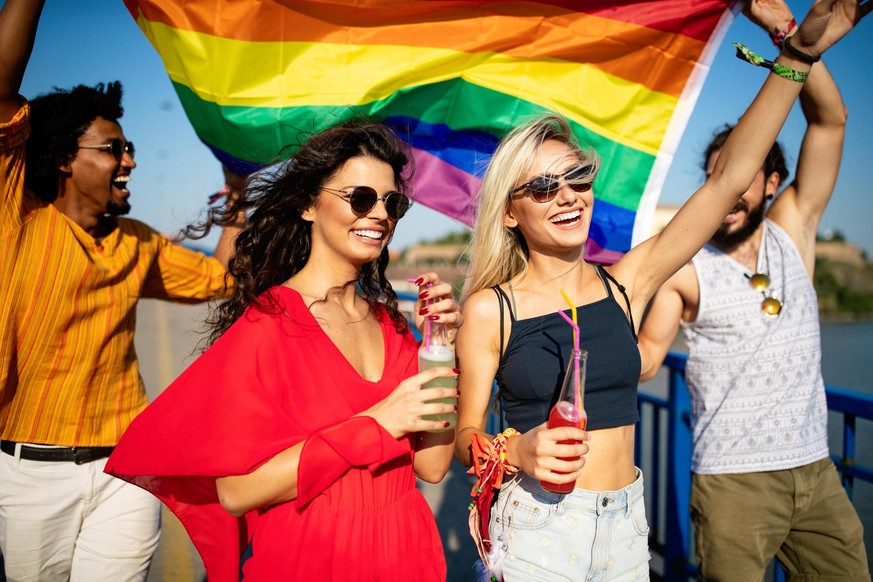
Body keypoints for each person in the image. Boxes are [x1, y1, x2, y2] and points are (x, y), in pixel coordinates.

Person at [453, 0, 867, 579]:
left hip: (626, 525)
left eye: (577, 176)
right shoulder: (490, 309)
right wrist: (516, 449)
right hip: (539, 528)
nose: (567, 195)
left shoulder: (629, 283)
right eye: (543, 187)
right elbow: (463, 436)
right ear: (510, 213)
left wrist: (797, 54)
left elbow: (726, 181)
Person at [105, 119, 463, 581]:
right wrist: (376, 424)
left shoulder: (395, 327)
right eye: (360, 198)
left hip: (406, 554)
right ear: (309, 204)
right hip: (308, 559)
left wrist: (441, 347)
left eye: (392, 202)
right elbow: (236, 491)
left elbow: (432, 467)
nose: (379, 214)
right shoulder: (268, 324)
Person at [0, 0, 243, 580]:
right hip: (30, 472)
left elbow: (222, 280)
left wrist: (237, 193)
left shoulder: (137, 241)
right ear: (63, 160)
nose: (129, 159)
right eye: (114, 148)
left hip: (126, 466)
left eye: (129, 147)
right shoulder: (18, 217)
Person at [636, 0, 871, 579]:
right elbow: (646, 358)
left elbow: (831, 120)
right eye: (725, 177)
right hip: (731, 481)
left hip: (817, 473)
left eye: (746, 179)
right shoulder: (687, 269)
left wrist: (789, 34)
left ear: (772, 182)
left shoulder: (794, 230)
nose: (734, 192)